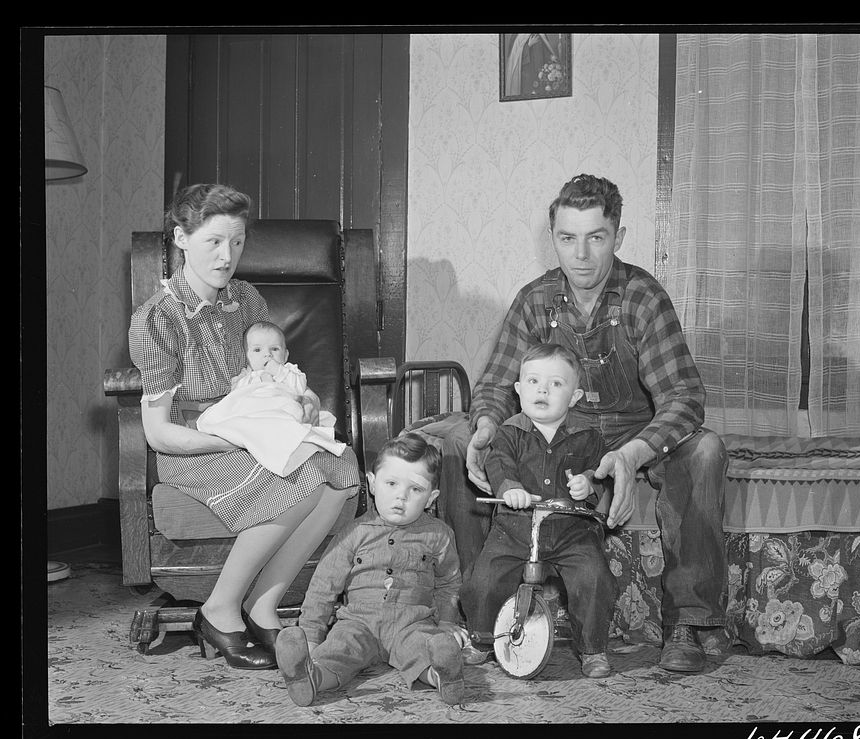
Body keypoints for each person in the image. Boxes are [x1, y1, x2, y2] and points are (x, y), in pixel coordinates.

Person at [435, 173, 728, 674]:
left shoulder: (642, 297)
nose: (582, 255)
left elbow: (682, 398)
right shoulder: (534, 300)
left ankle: (690, 622)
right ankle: (478, 615)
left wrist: (632, 456)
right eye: (568, 239)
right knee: (460, 439)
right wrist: (485, 426)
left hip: (630, 433)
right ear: (553, 238)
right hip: (557, 434)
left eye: (597, 237)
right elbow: (496, 387)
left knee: (705, 449)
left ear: (619, 236)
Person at [128, 183, 360, 670]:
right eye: (213, 241)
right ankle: (219, 608)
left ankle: (262, 604)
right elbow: (158, 433)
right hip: (193, 447)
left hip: (254, 430)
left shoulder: (247, 300)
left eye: (236, 242)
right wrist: (237, 438)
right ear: (181, 238)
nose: (226, 255)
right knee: (298, 473)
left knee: (341, 468)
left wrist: (305, 403)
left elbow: (274, 378)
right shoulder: (156, 320)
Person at [460, 343, 618, 678]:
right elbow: (499, 464)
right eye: (533, 382)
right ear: (518, 390)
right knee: (483, 579)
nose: (543, 389)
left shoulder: (588, 436)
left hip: (570, 530)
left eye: (556, 384)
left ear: (574, 397)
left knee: (594, 577)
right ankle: (483, 638)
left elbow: (601, 473)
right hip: (514, 528)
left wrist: (590, 483)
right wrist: (510, 489)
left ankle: (593, 649)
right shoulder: (509, 432)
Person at [274, 433, 466, 706]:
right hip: (358, 622)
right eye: (391, 483)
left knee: (424, 647)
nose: (401, 496)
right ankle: (310, 678)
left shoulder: (440, 535)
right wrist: (311, 636)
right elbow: (324, 586)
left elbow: (449, 582)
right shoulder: (354, 533)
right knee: (339, 649)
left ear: (431, 497)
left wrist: (447, 622)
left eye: (416, 489)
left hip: (412, 623)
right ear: (373, 484)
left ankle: (443, 677)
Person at [195, 321, 347, 477]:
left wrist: (279, 371)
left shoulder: (289, 371)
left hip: (282, 409)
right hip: (256, 415)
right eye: (257, 350)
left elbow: (299, 387)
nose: (267, 354)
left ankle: (290, 445)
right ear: (246, 356)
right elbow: (236, 399)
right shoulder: (247, 376)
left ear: (286, 355)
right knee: (232, 415)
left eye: (274, 349)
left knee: (293, 411)